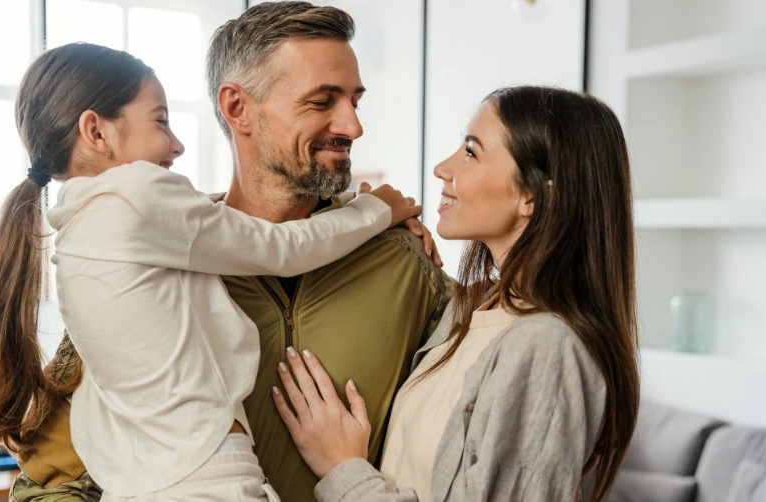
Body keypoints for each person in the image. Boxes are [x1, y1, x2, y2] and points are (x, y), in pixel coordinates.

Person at [6, 3, 453, 502]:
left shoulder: (404, 263)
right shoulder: (149, 264)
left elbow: (489, 428)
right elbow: (46, 485)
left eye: (355, 101)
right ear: (237, 107)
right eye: (322, 101)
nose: (353, 126)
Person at [273, 85, 641, 502]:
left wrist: (344, 470)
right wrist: (373, 228)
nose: (442, 168)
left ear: (534, 197)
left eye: (471, 151)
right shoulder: (473, 310)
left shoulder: (546, 346)